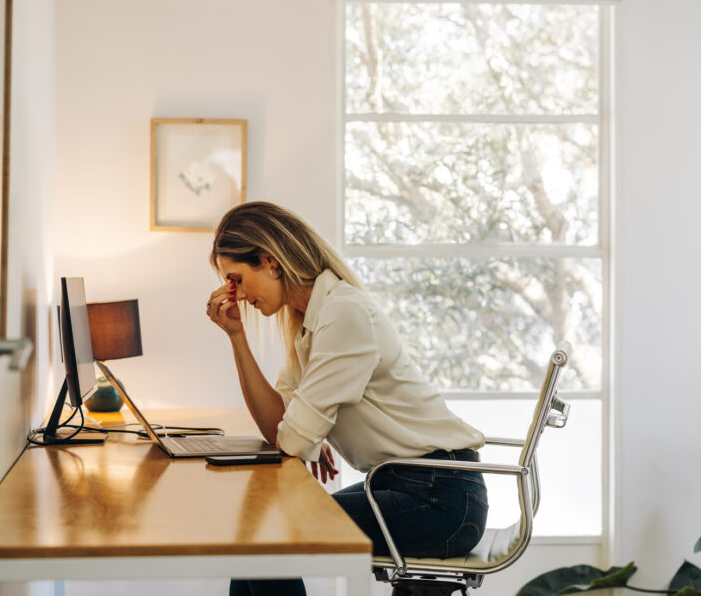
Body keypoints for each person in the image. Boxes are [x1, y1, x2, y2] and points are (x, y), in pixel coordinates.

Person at [205, 202, 489, 596]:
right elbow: (280, 430)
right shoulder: (310, 321)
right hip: (406, 483)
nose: (233, 295)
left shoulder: (343, 314)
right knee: (257, 538)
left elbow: (294, 440)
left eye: (235, 279)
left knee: (267, 540)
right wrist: (237, 337)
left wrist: (306, 433)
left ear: (270, 262)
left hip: (440, 499)